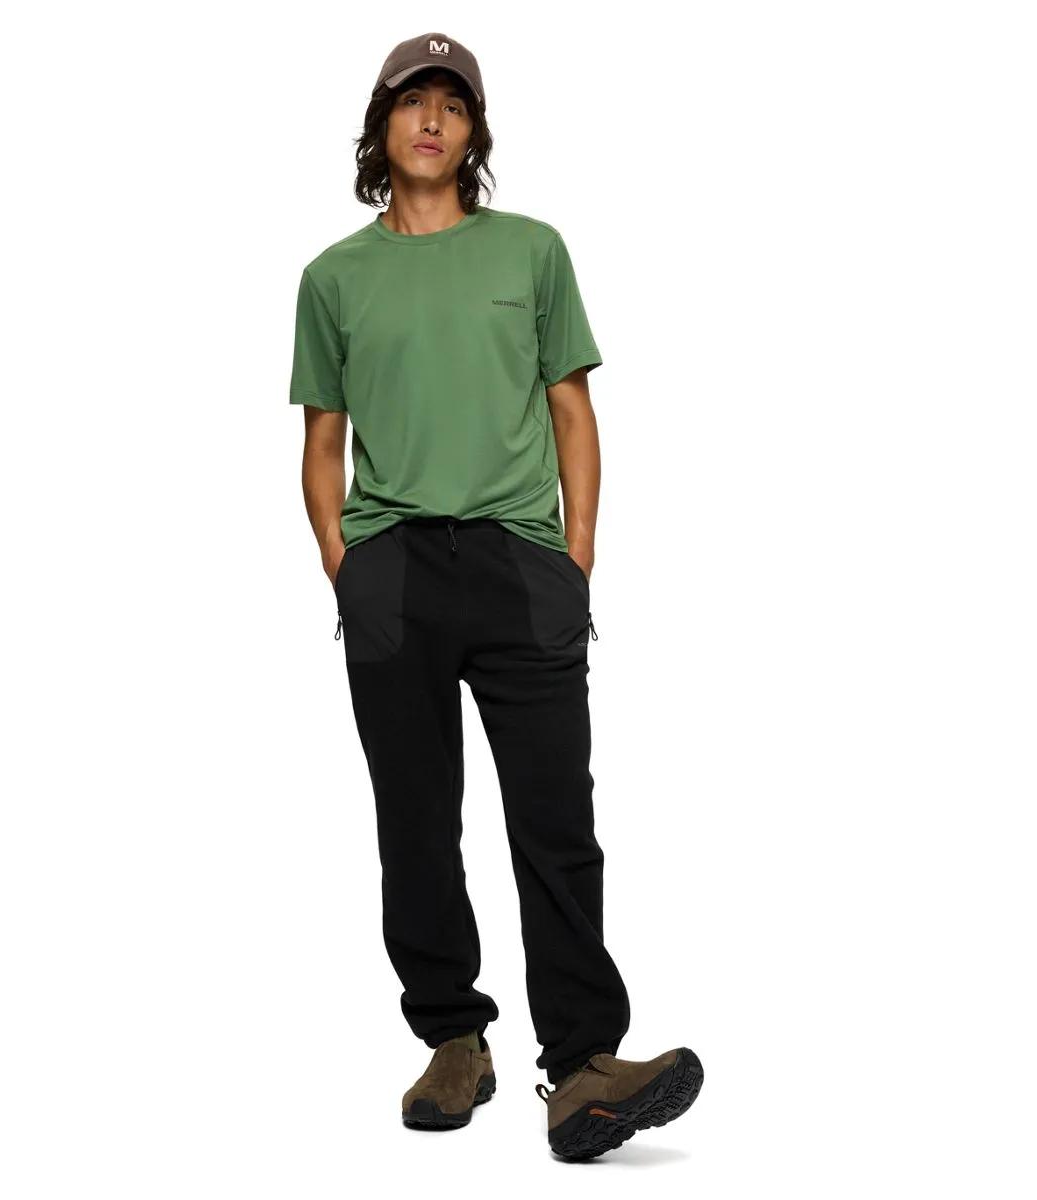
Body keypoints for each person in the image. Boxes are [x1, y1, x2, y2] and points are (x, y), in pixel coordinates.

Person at [287, 31, 703, 1160]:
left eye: (452, 104)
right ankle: (453, 1041)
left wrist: (576, 555)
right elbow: (322, 441)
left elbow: (572, 408)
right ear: (380, 127)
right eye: (410, 102)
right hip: (393, 567)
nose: (431, 120)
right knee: (416, 821)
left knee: (556, 820)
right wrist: (345, 560)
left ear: (472, 132)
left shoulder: (532, 251)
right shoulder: (333, 277)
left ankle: (583, 1067)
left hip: (520, 564)